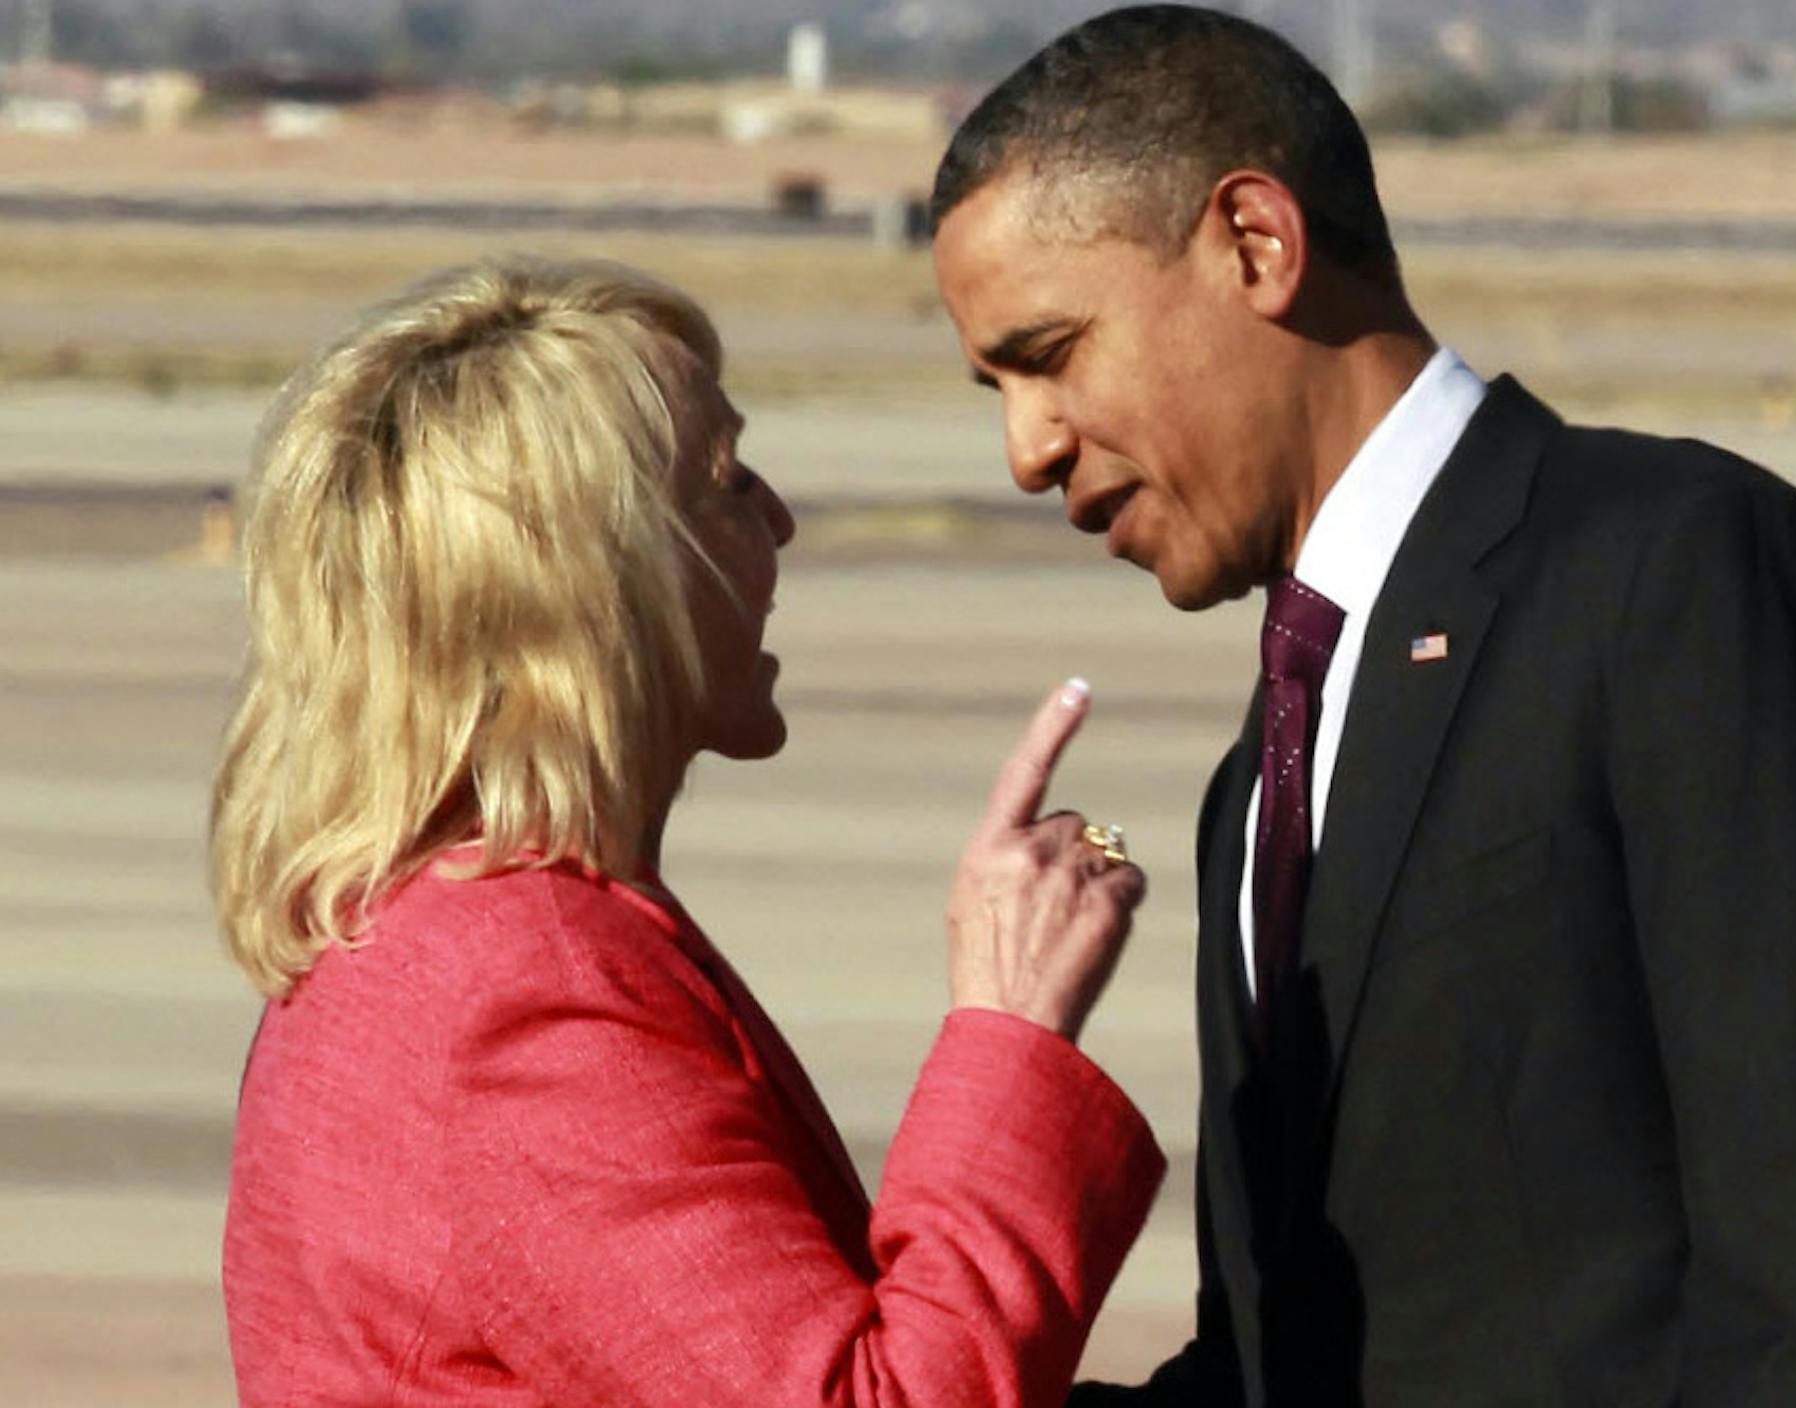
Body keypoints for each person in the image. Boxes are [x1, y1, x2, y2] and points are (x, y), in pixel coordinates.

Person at [929, 6, 1796, 1404]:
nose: (1025, 449)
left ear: (1257, 242)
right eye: (993, 388)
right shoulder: (1258, 782)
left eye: (1050, 352)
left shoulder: (1675, 572)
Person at [213, 257, 1166, 1406]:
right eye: (728, 482)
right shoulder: (522, 997)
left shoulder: (423, 921)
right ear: (600, 578)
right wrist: (1012, 1026)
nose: (779, 520)